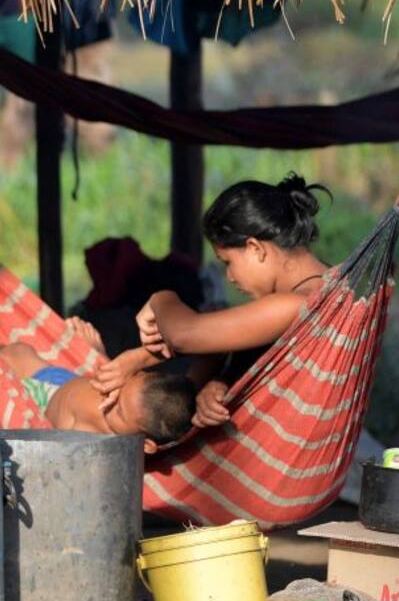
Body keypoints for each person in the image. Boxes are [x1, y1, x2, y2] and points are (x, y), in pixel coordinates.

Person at [93, 174, 331, 429]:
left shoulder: (298, 303)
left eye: (227, 262)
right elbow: (233, 340)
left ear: (255, 248)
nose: (229, 277)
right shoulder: (327, 285)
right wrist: (219, 384)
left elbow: (184, 333)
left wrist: (160, 298)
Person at [0, 318, 197, 454]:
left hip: (39, 401)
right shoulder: (123, 400)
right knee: (18, 351)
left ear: (145, 445)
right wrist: (98, 355)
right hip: (62, 380)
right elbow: (112, 377)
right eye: (123, 386)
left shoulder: (95, 440)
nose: (110, 398)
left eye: (119, 411)